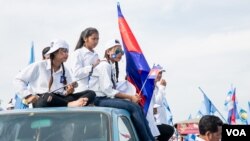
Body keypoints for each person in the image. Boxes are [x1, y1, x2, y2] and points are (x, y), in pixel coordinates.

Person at [88, 39, 155, 141]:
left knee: (137, 107)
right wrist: (130, 97)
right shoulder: (104, 65)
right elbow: (108, 90)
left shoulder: (110, 65)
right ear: (108, 52)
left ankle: (149, 138)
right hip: (99, 99)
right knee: (133, 107)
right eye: (117, 51)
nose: (120, 54)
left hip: (105, 98)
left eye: (122, 52)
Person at [13, 39, 96, 108]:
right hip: (44, 99)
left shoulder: (65, 70)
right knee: (47, 96)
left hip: (60, 99)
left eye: (67, 51)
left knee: (91, 93)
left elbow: (66, 91)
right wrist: (28, 95)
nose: (67, 54)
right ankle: (69, 105)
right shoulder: (39, 65)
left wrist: (69, 91)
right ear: (55, 52)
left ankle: (71, 104)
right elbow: (18, 79)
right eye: (63, 51)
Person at [147, 65, 175, 141]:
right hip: (155, 122)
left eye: (161, 73)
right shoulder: (150, 86)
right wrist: (162, 87)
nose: (160, 75)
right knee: (169, 130)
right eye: (158, 73)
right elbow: (157, 101)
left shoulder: (156, 87)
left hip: (160, 121)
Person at [71, 27, 100, 93]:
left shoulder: (96, 54)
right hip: (82, 91)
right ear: (85, 38)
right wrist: (92, 67)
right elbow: (76, 73)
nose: (96, 41)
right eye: (93, 39)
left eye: (97, 39)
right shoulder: (78, 53)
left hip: (96, 90)